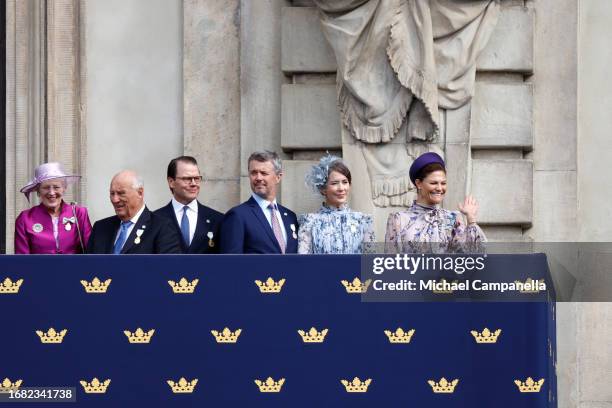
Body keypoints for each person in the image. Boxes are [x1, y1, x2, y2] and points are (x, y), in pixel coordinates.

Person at [385, 152, 486, 253]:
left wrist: (471, 219)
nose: (439, 188)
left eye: (443, 183)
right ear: (419, 183)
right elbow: (391, 262)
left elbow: (472, 259)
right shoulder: (398, 219)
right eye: (433, 183)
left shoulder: (453, 219)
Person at [219, 151, 298, 254]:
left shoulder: (290, 217)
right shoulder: (237, 215)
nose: (258, 178)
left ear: (278, 177)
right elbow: (231, 263)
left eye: (264, 173)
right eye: (253, 173)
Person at [87, 170, 182, 254]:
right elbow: (88, 267)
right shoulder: (100, 228)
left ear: (140, 193)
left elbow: (168, 269)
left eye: (121, 193)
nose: (115, 200)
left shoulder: (162, 227)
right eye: (112, 193)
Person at [298, 155, 375, 254]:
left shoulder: (363, 220)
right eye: (334, 183)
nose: (341, 188)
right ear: (323, 189)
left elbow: (370, 263)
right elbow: (303, 264)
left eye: (345, 182)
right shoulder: (309, 222)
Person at [15, 162, 92, 254]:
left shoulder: (79, 213)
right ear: (38, 191)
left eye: (56, 187)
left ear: (64, 188)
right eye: (46, 187)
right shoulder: (25, 218)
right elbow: (22, 260)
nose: (51, 193)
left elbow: (91, 250)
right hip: (38, 268)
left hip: (74, 268)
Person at [154, 156, 223, 254]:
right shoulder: (155, 219)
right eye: (187, 179)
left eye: (197, 178)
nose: (194, 183)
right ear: (171, 182)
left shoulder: (217, 220)